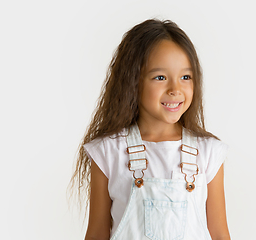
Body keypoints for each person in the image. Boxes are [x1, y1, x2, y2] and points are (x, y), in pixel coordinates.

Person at [71, 19, 231, 240]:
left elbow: (220, 234)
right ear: (133, 81)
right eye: (160, 77)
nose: (175, 89)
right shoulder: (109, 152)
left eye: (186, 77)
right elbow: (97, 233)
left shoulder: (208, 152)